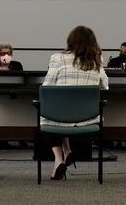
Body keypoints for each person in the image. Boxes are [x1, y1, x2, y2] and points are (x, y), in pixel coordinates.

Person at [41, 25, 109, 180]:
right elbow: (105, 86)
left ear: (70, 41)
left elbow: (47, 86)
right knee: (63, 115)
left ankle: (58, 159)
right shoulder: (97, 60)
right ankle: (67, 151)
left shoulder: (57, 58)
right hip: (88, 119)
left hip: (60, 116)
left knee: (48, 116)